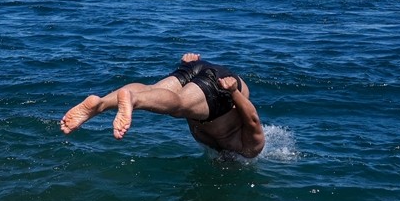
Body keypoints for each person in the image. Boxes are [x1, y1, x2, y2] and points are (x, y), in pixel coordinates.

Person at [60, 52, 266, 158]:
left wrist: (188, 67)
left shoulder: (218, 147)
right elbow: (253, 119)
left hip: (199, 70)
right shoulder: (250, 150)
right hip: (223, 87)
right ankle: (132, 100)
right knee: (179, 106)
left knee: (152, 91)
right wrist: (233, 91)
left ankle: (102, 104)